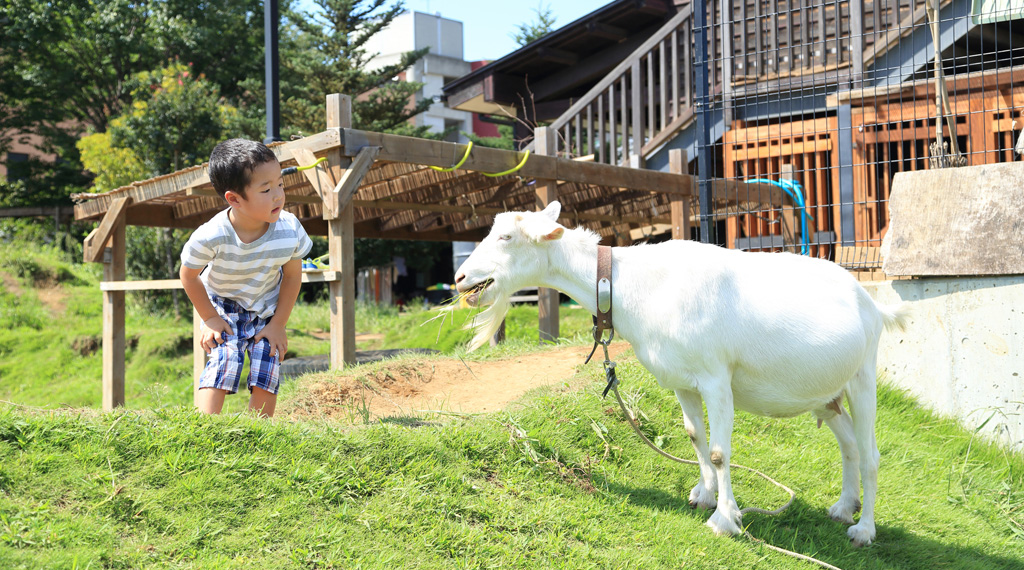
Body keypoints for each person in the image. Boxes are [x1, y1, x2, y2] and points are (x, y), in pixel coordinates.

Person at [179, 139, 312, 417]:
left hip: (266, 305)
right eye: (266, 189)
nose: (278, 195)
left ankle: (257, 433)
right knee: (225, 355)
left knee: (268, 358)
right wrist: (210, 319)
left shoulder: (289, 229)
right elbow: (189, 276)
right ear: (234, 199)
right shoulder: (211, 235)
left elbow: (291, 277)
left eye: (280, 184)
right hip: (224, 304)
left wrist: (278, 324)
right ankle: (203, 429)